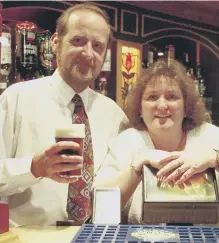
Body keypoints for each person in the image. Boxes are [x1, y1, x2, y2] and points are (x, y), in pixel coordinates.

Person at [0, 3, 127, 226]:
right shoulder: (17, 98)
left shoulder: (115, 115)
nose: (88, 53)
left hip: (95, 237)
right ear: (56, 43)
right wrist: (32, 168)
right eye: (78, 41)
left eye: (97, 46)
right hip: (30, 238)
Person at [93, 59, 219, 224]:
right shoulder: (126, 142)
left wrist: (214, 158)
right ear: (140, 108)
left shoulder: (209, 136)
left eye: (172, 97)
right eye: (152, 97)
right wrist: (136, 168)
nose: (161, 105)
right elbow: (99, 209)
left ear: (186, 106)